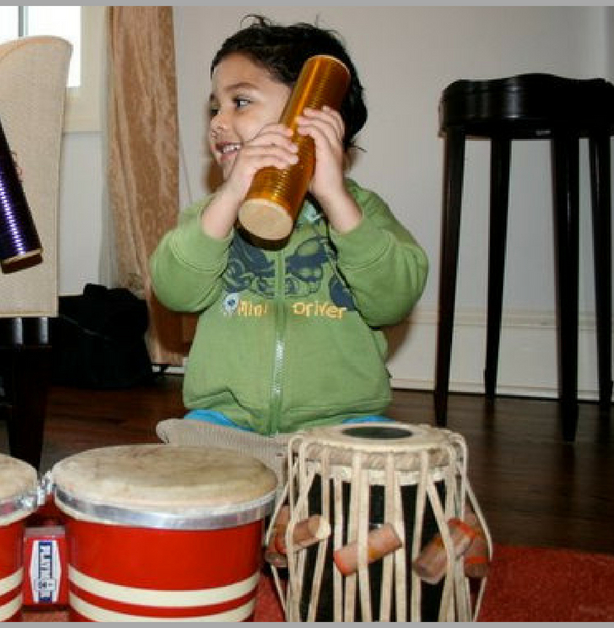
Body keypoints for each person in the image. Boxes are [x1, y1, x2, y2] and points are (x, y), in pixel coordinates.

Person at [151, 15, 428, 475]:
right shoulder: (210, 218)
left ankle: (300, 526)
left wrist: (337, 200)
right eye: (214, 108)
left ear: (312, 115)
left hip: (340, 428)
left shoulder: (362, 213)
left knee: (397, 474)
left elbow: (392, 300)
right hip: (226, 425)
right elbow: (176, 290)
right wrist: (230, 198)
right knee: (181, 474)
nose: (219, 122)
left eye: (240, 101)